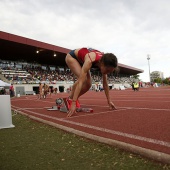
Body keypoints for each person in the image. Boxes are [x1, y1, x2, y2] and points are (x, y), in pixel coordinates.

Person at [65, 47, 118, 117]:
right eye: (107, 70)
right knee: (83, 80)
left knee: (89, 84)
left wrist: (109, 101)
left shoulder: (105, 61)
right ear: (102, 64)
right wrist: (73, 103)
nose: (107, 73)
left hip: (83, 60)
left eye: (110, 72)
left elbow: (105, 84)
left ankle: (71, 98)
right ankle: (71, 100)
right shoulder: (90, 60)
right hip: (72, 57)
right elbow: (80, 81)